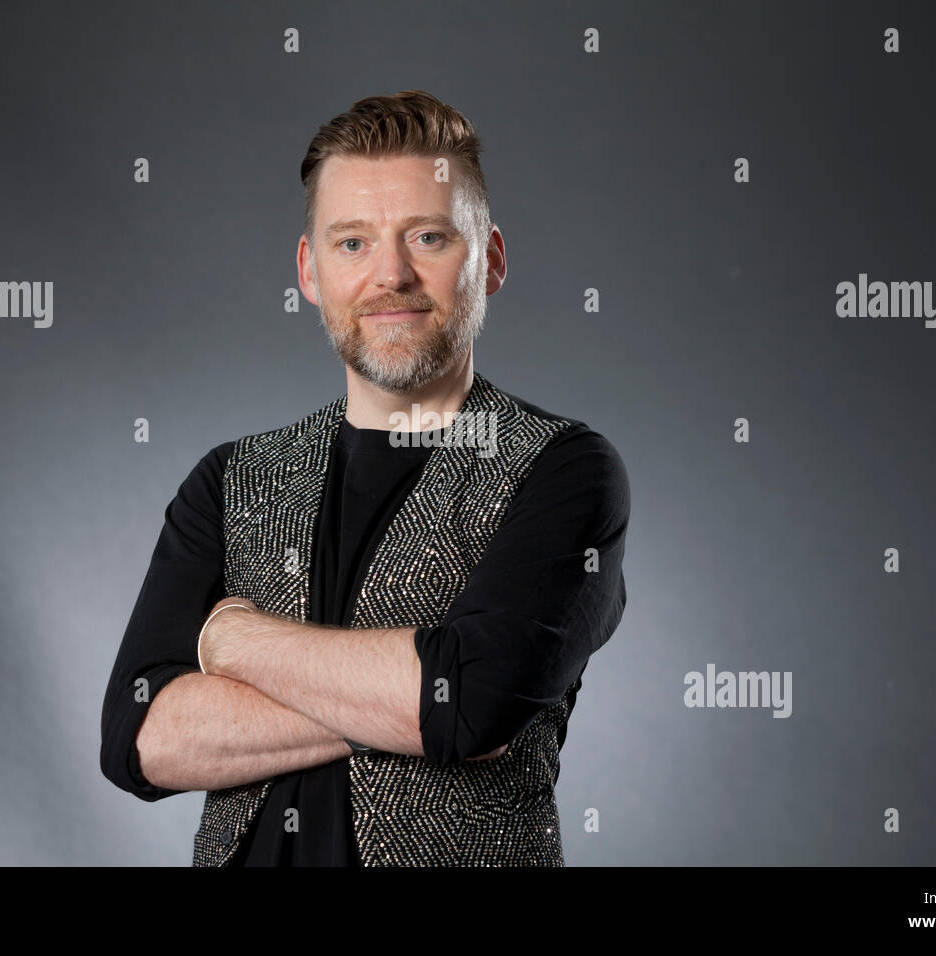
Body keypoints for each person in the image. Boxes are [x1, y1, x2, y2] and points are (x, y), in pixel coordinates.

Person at [99, 89, 630, 866]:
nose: (392, 275)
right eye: (352, 243)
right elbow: (138, 739)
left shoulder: (565, 470)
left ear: (491, 262)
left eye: (428, 236)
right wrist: (415, 696)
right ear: (310, 271)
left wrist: (230, 637)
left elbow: (473, 704)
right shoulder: (231, 478)